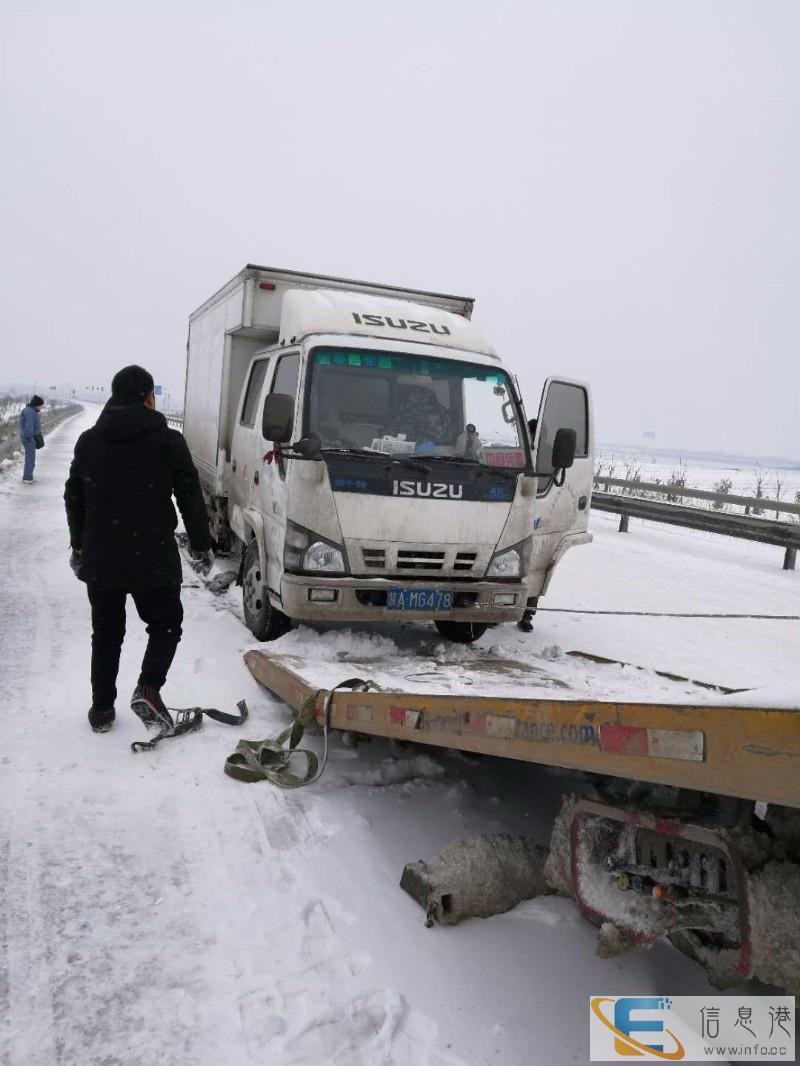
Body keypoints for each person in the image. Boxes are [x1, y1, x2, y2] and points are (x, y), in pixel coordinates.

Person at [64, 365, 213, 734]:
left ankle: (101, 710)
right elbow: (190, 495)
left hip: (102, 555)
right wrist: (199, 544)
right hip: (153, 555)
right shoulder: (168, 440)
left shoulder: (89, 441)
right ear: (148, 396)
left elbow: (73, 497)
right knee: (165, 624)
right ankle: (148, 688)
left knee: (107, 632)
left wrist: (79, 544)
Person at [19, 394, 44, 484]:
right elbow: (29, 426)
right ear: (37, 404)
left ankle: (29, 476)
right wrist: (31, 438)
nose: (41, 407)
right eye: (41, 405)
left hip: (29, 437)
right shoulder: (30, 412)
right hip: (29, 438)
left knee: (31, 457)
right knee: (30, 457)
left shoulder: (30, 411)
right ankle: (27, 477)